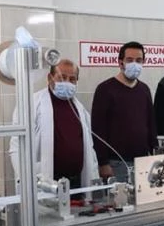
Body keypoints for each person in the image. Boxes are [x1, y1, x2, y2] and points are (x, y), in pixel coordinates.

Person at [9, 58, 98, 196]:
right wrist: (26, 177)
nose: (67, 82)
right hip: (46, 180)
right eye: (62, 78)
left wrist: (94, 174)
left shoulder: (79, 108)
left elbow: (89, 148)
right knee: (46, 209)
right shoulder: (31, 104)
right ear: (50, 78)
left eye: (72, 79)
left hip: (76, 182)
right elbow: (17, 146)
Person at [91, 41, 156, 182]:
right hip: (115, 163)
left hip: (142, 161)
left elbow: (151, 124)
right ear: (121, 63)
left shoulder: (144, 89)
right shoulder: (105, 89)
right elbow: (98, 130)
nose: (135, 64)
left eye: (139, 60)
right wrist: (103, 163)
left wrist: (154, 154)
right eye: (130, 60)